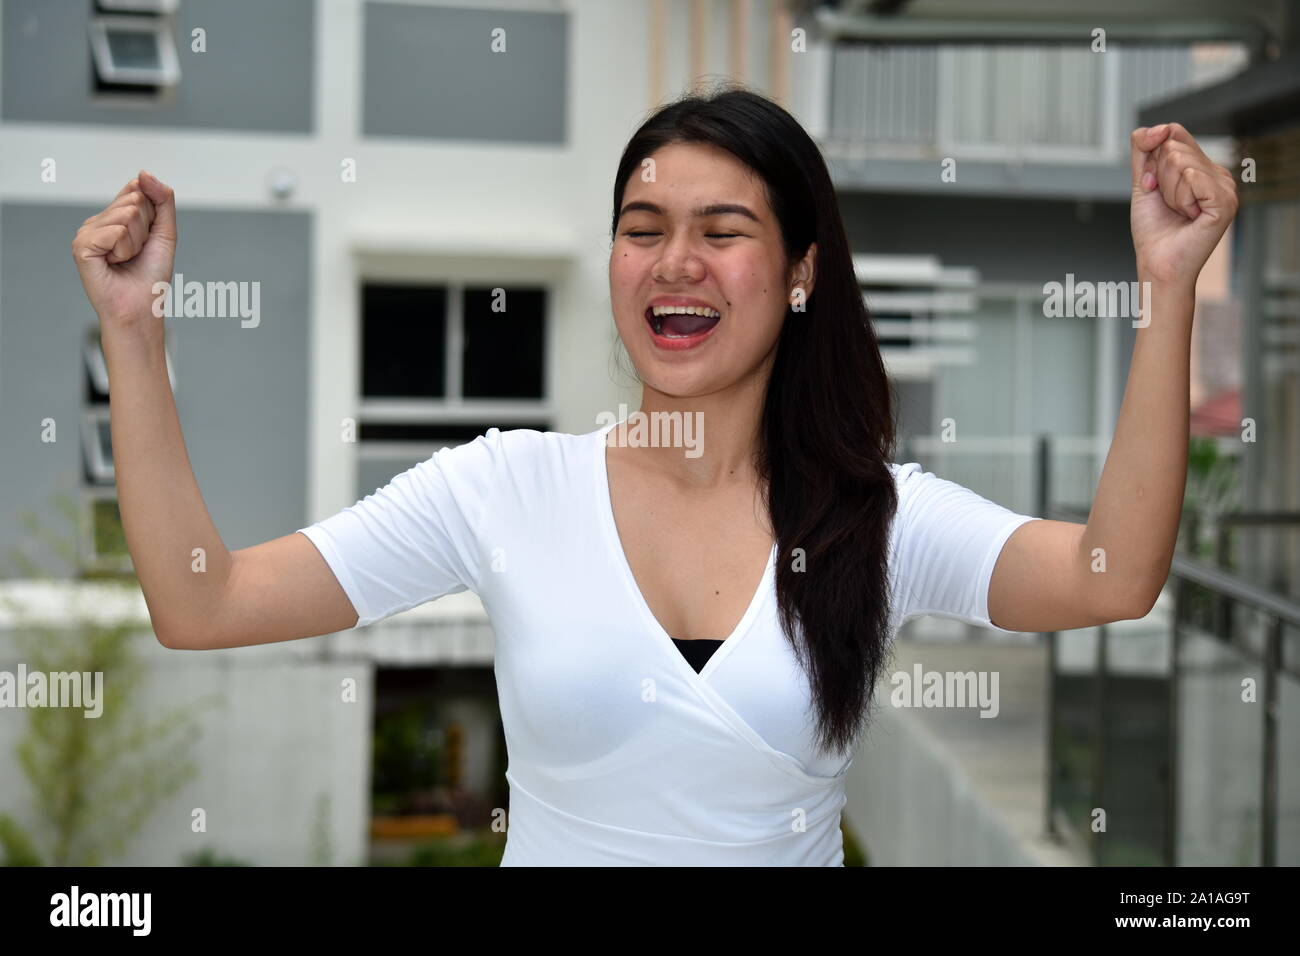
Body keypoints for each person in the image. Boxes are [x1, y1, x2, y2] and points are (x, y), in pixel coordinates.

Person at [70, 84, 1238, 866]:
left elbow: (1108, 571)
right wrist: (134, 333)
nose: (674, 261)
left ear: (797, 272)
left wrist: (1165, 289)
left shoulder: (875, 518)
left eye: (721, 228)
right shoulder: (505, 488)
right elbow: (200, 599)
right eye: (643, 225)